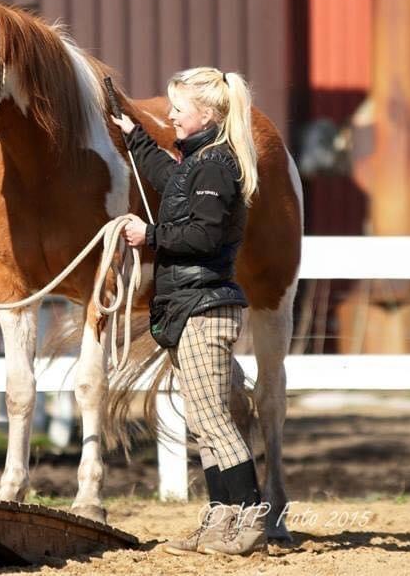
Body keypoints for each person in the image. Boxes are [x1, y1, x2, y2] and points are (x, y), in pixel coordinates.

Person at [110, 67, 269, 556]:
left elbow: (202, 235)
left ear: (208, 113)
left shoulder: (215, 166)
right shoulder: (198, 164)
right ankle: (221, 522)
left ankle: (250, 519)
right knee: (204, 421)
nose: (172, 116)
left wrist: (149, 235)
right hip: (189, 308)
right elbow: (165, 177)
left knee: (214, 421)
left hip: (202, 310)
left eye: (178, 108)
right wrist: (135, 136)